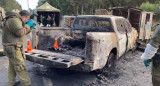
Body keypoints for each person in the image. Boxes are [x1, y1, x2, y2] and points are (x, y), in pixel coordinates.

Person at [2, 10, 35, 86]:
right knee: (20, 67)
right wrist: (28, 25)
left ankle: (11, 83)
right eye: (27, 19)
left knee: (12, 66)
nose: (27, 21)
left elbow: (21, 32)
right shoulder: (14, 20)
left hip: (11, 48)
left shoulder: (12, 19)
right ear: (24, 17)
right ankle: (27, 84)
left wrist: (29, 28)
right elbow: (20, 33)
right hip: (13, 48)